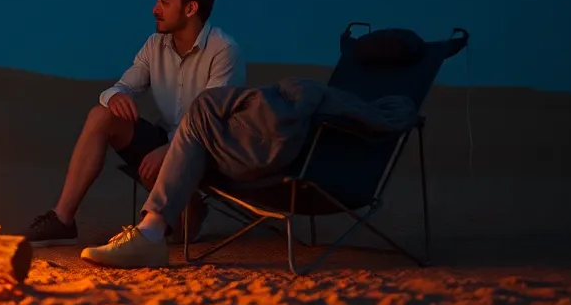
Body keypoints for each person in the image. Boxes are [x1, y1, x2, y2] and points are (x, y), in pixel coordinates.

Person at [79, 76, 417, 268]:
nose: (156, 8)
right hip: (255, 162)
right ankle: (151, 231)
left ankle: (151, 234)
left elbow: (392, 114)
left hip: (281, 170)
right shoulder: (338, 107)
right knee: (203, 110)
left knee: (204, 108)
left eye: (164, 1)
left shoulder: (337, 110)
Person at [24, 0, 245, 247]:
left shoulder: (224, 50)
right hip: (166, 142)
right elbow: (122, 87)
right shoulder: (154, 45)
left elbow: (211, 120)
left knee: (179, 238)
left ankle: (190, 209)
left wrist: (170, 150)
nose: (155, 9)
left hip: (205, 150)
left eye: (164, 2)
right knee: (102, 115)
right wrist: (116, 96)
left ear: (191, 8)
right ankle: (62, 220)